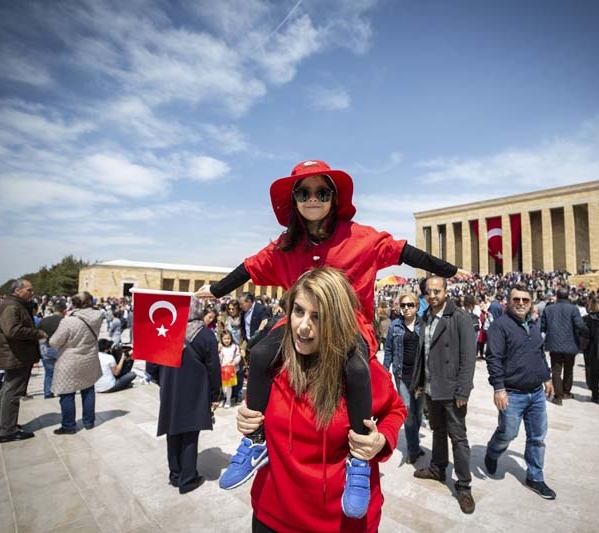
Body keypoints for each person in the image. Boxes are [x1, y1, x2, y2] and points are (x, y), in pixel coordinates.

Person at [196, 159, 462, 518]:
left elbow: (401, 252)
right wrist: (215, 289)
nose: (313, 198)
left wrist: (448, 270)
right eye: (304, 192)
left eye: (322, 191)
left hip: (349, 326)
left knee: (355, 368)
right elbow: (250, 267)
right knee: (259, 355)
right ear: (294, 201)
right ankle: (255, 441)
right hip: (300, 325)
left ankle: (357, 460)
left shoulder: (361, 237)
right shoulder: (286, 246)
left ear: (334, 198)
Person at [236, 267, 405, 531]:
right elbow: (259, 414)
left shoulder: (361, 371)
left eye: (318, 317)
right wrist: (249, 421)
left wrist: (380, 439)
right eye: (299, 311)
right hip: (273, 515)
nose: (303, 326)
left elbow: (396, 409)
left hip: (342, 522)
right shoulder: (274, 365)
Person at [410, 275, 477, 514]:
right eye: (429, 291)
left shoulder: (459, 317)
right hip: (431, 387)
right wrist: (419, 382)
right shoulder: (426, 317)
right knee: (438, 431)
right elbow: (424, 353)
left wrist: (463, 390)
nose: (433, 295)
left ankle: (464, 486)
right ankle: (438, 467)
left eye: (437, 291)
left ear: (445, 291)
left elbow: (468, 358)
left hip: (451, 390)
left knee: (458, 438)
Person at [484, 283, 556, 500]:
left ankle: (535, 477)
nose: (521, 303)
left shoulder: (533, 325)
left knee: (537, 437)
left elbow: (539, 353)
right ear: (508, 302)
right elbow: (493, 358)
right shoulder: (500, 326)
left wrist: (547, 376)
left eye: (525, 300)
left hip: (535, 393)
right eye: (516, 300)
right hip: (512, 393)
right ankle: (493, 451)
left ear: (530, 302)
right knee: (508, 433)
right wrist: (499, 388)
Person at [148, 296, 221, 494]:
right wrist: (215, 395)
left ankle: (176, 474)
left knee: (173, 430)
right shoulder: (205, 335)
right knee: (190, 432)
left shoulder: (166, 330)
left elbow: (151, 364)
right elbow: (214, 368)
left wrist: (163, 381)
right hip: (195, 390)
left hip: (171, 388)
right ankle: (187, 479)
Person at [0, 279, 47, 442]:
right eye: (29, 290)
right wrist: (37, 334)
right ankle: (8, 431)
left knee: (7, 389)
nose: (32, 293)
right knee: (13, 392)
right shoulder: (12, 306)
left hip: (15, 354)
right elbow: (13, 330)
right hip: (15, 355)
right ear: (17, 291)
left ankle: (0, 424)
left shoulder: (14, 304)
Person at [50, 291, 103, 434]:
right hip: (89, 358)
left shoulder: (69, 321)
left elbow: (54, 342)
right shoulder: (98, 317)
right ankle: (89, 422)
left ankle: (69, 426)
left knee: (67, 393)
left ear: (75, 304)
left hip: (70, 361)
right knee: (88, 389)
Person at [383, 291, 424, 465]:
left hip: (421, 377)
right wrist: (385, 372)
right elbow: (389, 351)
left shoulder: (424, 324)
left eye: (410, 305)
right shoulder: (395, 326)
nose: (406, 308)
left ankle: (414, 441)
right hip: (402, 375)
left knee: (419, 412)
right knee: (407, 413)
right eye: (403, 305)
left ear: (416, 306)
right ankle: (413, 448)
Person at [541, 286, 587, 405]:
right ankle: (566, 392)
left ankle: (558, 396)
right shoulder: (573, 309)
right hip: (570, 343)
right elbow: (579, 325)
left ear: (557, 296)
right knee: (568, 369)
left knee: (556, 370)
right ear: (568, 296)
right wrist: (587, 334)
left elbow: (543, 327)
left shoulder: (549, 309)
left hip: (554, 344)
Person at [38, 300, 67, 399]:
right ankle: (61, 391)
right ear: (64, 311)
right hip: (60, 349)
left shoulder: (44, 320)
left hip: (45, 349)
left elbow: (38, 335)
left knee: (49, 373)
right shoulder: (64, 321)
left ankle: (48, 393)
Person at [218, 330, 241, 408]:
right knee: (221, 386)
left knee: (228, 386)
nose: (227, 340)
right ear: (221, 339)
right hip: (222, 369)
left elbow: (238, 356)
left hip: (231, 369)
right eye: (225, 339)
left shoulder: (235, 347)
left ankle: (228, 400)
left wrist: (235, 362)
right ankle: (222, 399)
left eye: (228, 338)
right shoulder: (220, 347)